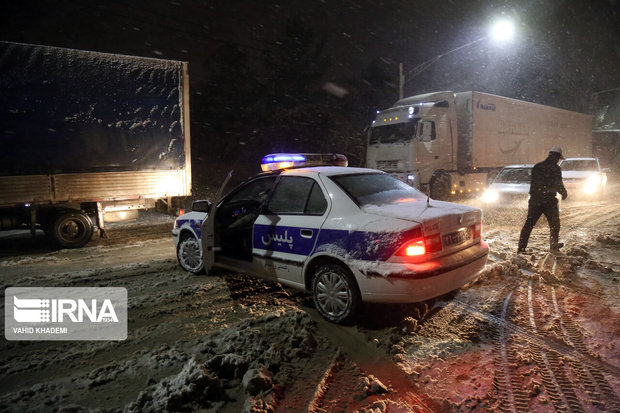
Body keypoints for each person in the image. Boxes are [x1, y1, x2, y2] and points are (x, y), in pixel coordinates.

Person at [518, 147, 568, 254]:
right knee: (554, 224)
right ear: (557, 157)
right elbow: (558, 184)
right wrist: (564, 193)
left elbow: (534, 183)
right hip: (549, 201)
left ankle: (521, 249)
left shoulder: (537, 166)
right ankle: (553, 246)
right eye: (558, 159)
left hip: (535, 200)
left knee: (529, 224)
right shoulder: (555, 169)